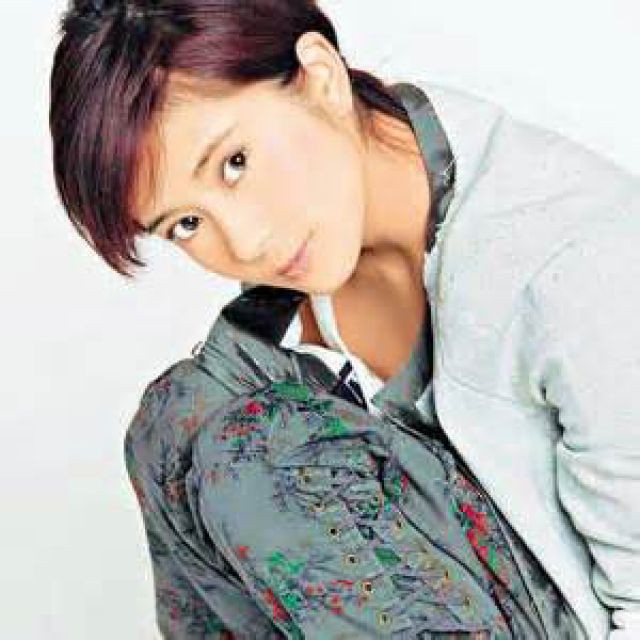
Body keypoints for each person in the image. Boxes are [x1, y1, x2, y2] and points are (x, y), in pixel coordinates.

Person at [48, 1, 639, 639]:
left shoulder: (581, 262)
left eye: (235, 162)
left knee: (256, 444)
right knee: (172, 425)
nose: (245, 241)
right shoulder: (314, 241)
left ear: (321, 77)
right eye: (187, 223)